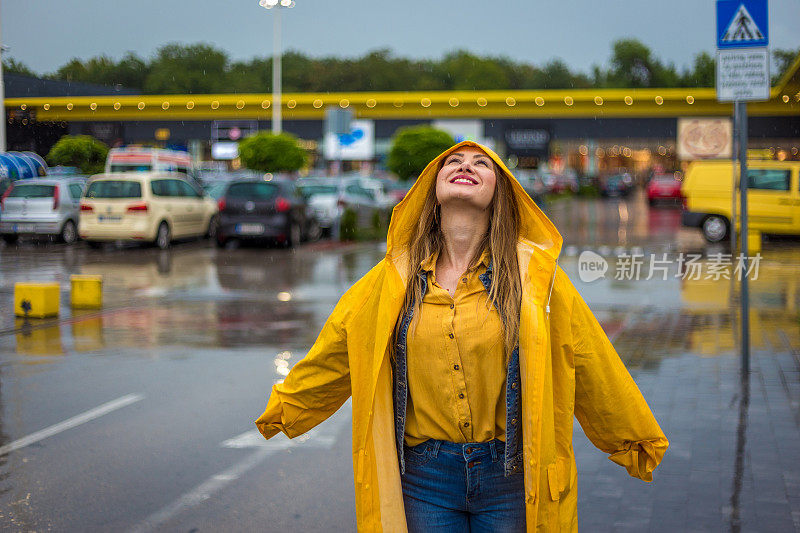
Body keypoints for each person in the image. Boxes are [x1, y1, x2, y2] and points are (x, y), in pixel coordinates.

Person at [256, 141, 668, 532]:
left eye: (481, 162)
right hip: (423, 480)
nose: (465, 165)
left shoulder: (535, 280)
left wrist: (632, 438)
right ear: (430, 190)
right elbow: (336, 352)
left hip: (510, 477)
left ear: (498, 191)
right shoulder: (391, 281)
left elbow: (588, 355)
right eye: (453, 161)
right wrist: (287, 409)